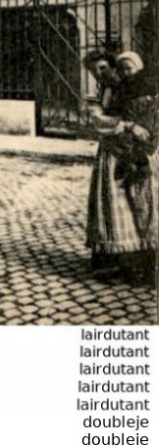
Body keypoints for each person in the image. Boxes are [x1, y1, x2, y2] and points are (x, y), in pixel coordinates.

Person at [86, 50, 157, 284]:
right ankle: (116, 264)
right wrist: (128, 126)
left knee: (142, 205)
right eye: (96, 71)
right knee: (112, 207)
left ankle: (144, 263)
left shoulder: (132, 87)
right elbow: (98, 120)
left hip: (137, 154)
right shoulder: (99, 94)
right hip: (111, 155)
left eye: (104, 68)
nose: (101, 74)